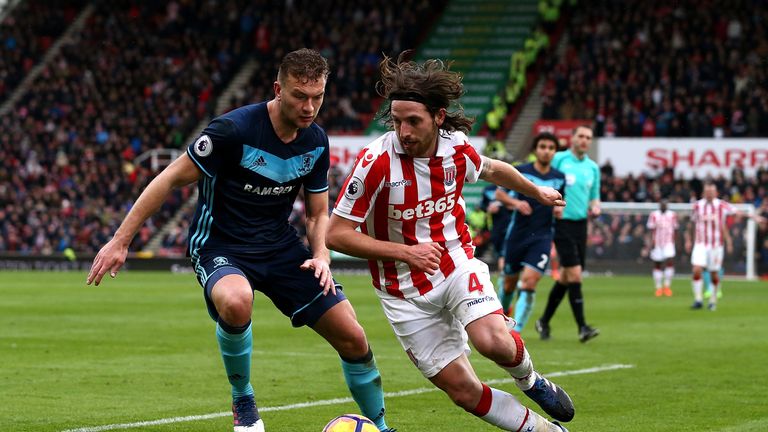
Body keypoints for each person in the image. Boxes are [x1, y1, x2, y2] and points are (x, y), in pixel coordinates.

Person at [86, 49, 394, 432]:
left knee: (352, 334)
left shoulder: (315, 141)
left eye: (317, 96)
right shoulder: (233, 131)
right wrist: (120, 241)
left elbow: (317, 214)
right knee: (236, 301)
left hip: (281, 248)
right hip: (220, 245)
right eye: (300, 95)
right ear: (278, 89)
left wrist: (321, 256)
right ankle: (243, 400)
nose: (309, 106)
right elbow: (168, 178)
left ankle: (381, 427)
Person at [327, 53, 573, 432]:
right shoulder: (375, 161)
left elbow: (492, 168)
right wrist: (405, 252)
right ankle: (545, 430)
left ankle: (531, 380)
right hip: (401, 292)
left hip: (454, 263)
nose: (403, 132)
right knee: (463, 391)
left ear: (438, 118)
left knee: (493, 342)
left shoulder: (454, 148)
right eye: (396, 121)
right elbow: (336, 234)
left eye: (413, 121)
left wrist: (535, 190)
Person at [534, 125, 600, 343]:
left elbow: (594, 196)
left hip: (581, 225)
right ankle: (582, 327)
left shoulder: (593, 168)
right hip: (561, 224)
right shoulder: (560, 159)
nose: (584, 140)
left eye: (588, 137)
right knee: (575, 275)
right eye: (580, 136)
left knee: (565, 277)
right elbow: (544, 179)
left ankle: (543, 321)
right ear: (572, 138)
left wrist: (596, 206)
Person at [495, 132, 565, 335]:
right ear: (535, 150)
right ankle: (502, 315)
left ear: (554, 152)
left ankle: (515, 332)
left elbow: (560, 201)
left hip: (542, 236)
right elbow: (500, 193)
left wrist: (560, 208)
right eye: (542, 146)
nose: (546, 151)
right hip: (517, 235)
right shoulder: (521, 171)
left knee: (529, 281)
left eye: (551, 148)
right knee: (509, 284)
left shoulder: (558, 178)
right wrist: (517, 203)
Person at [684, 182, 737, 311]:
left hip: (716, 245)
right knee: (696, 269)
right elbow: (691, 224)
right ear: (703, 193)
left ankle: (713, 300)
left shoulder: (722, 205)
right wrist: (688, 240)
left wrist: (753, 216)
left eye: (711, 192)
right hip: (700, 244)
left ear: (716, 193)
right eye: (707, 192)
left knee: (714, 273)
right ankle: (698, 299)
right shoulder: (697, 206)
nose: (709, 194)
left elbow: (738, 212)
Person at [646, 199, 678, 297]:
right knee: (657, 264)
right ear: (659, 205)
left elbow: (676, 229)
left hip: (669, 242)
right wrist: (650, 243)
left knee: (670, 261)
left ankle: (667, 286)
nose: (663, 206)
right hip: (657, 243)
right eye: (662, 204)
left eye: (665, 204)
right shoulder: (654, 215)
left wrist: (675, 242)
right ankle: (659, 287)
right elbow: (650, 230)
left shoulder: (672, 215)